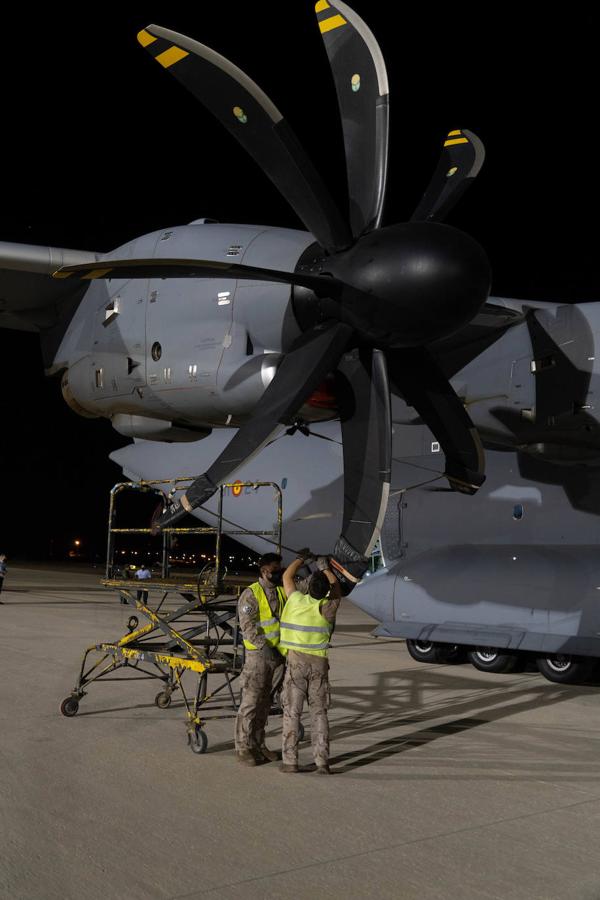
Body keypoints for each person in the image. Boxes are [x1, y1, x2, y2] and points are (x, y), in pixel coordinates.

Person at [279, 553, 341, 774]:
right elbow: (337, 590)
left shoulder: (295, 600)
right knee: (319, 713)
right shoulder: (327, 608)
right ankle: (322, 762)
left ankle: (290, 762)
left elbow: (287, 577)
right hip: (318, 664)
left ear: (308, 587)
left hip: (296, 663)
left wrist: (300, 559)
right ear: (324, 592)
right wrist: (325, 568)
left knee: (292, 713)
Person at [235, 552, 286, 766]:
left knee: (265, 704)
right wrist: (264, 647)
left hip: (278, 656)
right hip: (258, 656)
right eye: (275, 569)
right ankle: (243, 747)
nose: (279, 573)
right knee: (251, 703)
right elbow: (247, 626)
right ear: (264, 571)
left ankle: (258, 743)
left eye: (280, 569)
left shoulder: (282, 591)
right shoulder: (251, 594)